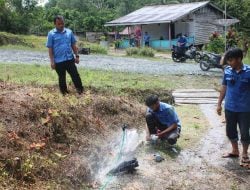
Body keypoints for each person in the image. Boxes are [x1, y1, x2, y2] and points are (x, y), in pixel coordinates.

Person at [217, 48, 250, 165]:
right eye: (228, 61)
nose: (230, 63)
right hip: (230, 108)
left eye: (231, 60)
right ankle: (235, 150)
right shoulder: (227, 71)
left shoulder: (249, 72)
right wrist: (219, 104)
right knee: (230, 131)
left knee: (245, 132)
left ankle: (245, 153)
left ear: (239, 59)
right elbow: (224, 88)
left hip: (245, 109)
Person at [46, 15, 84, 95]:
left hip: (70, 59)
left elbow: (73, 45)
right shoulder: (51, 34)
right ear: (55, 24)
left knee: (75, 76)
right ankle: (64, 94)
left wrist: (77, 56)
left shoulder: (69, 32)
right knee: (62, 78)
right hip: (59, 61)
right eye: (59, 24)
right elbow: (50, 49)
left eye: (62, 23)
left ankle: (80, 91)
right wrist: (52, 62)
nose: (61, 25)